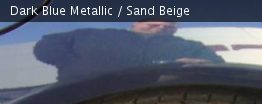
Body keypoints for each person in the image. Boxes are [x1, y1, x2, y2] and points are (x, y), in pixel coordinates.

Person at [34, 22, 223, 82]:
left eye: (168, 24)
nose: (161, 26)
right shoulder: (92, 34)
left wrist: (203, 66)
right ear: (136, 22)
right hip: (81, 98)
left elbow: (217, 65)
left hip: (161, 100)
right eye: (154, 21)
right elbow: (46, 46)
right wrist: (74, 64)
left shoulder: (190, 45)